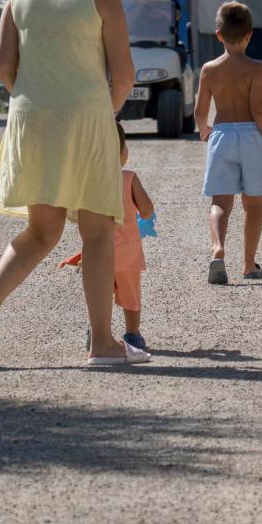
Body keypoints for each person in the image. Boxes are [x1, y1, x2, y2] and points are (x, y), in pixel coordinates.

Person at [0, 0, 151, 367]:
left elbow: (4, 68)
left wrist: (39, 101)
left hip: (31, 118)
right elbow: (124, 77)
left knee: (42, 230)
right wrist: (102, 113)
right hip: (86, 119)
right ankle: (102, 342)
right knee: (99, 230)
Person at [195, 1, 262, 284]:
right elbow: (259, 112)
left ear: (219, 35)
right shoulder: (256, 68)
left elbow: (201, 112)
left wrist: (204, 131)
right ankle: (249, 265)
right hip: (251, 136)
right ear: (250, 34)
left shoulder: (209, 69)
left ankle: (217, 249)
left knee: (220, 202)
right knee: (252, 205)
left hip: (222, 134)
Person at [59, 123, 157, 352]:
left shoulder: (86, 181)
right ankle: (132, 335)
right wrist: (145, 214)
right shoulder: (129, 178)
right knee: (131, 296)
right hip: (127, 253)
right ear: (122, 152)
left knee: (98, 292)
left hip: (97, 252)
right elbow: (147, 210)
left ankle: (96, 331)